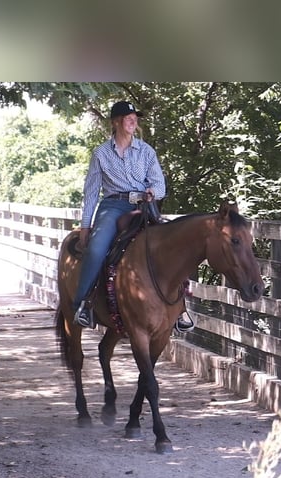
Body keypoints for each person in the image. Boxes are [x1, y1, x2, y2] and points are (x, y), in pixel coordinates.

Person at [72, 100, 194, 332]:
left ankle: (180, 309)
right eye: (128, 117)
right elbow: (90, 193)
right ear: (116, 121)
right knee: (97, 248)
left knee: (175, 246)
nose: (133, 120)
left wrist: (152, 192)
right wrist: (85, 227)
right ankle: (82, 305)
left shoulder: (146, 151)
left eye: (134, 117)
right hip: (113, 206)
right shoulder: (101, 154)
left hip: (144, 205)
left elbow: (159, 185)